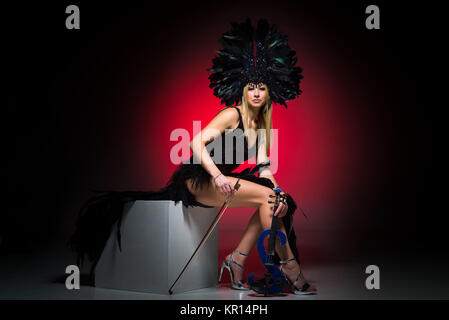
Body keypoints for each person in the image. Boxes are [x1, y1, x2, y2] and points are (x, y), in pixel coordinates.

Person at [68, 18, 316, 295]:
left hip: (221, 180)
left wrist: (280, 191)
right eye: (250, 87)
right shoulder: (231, 114)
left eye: (261, 88)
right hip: (197, 179)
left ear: (269, 92)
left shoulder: (260, 128)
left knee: (272, 199)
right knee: (267, 198)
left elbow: (264, 169)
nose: (256, 93)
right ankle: (289, 267)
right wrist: (218, 175)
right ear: (243, 91)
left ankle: (238, 260)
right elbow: (195, 143)